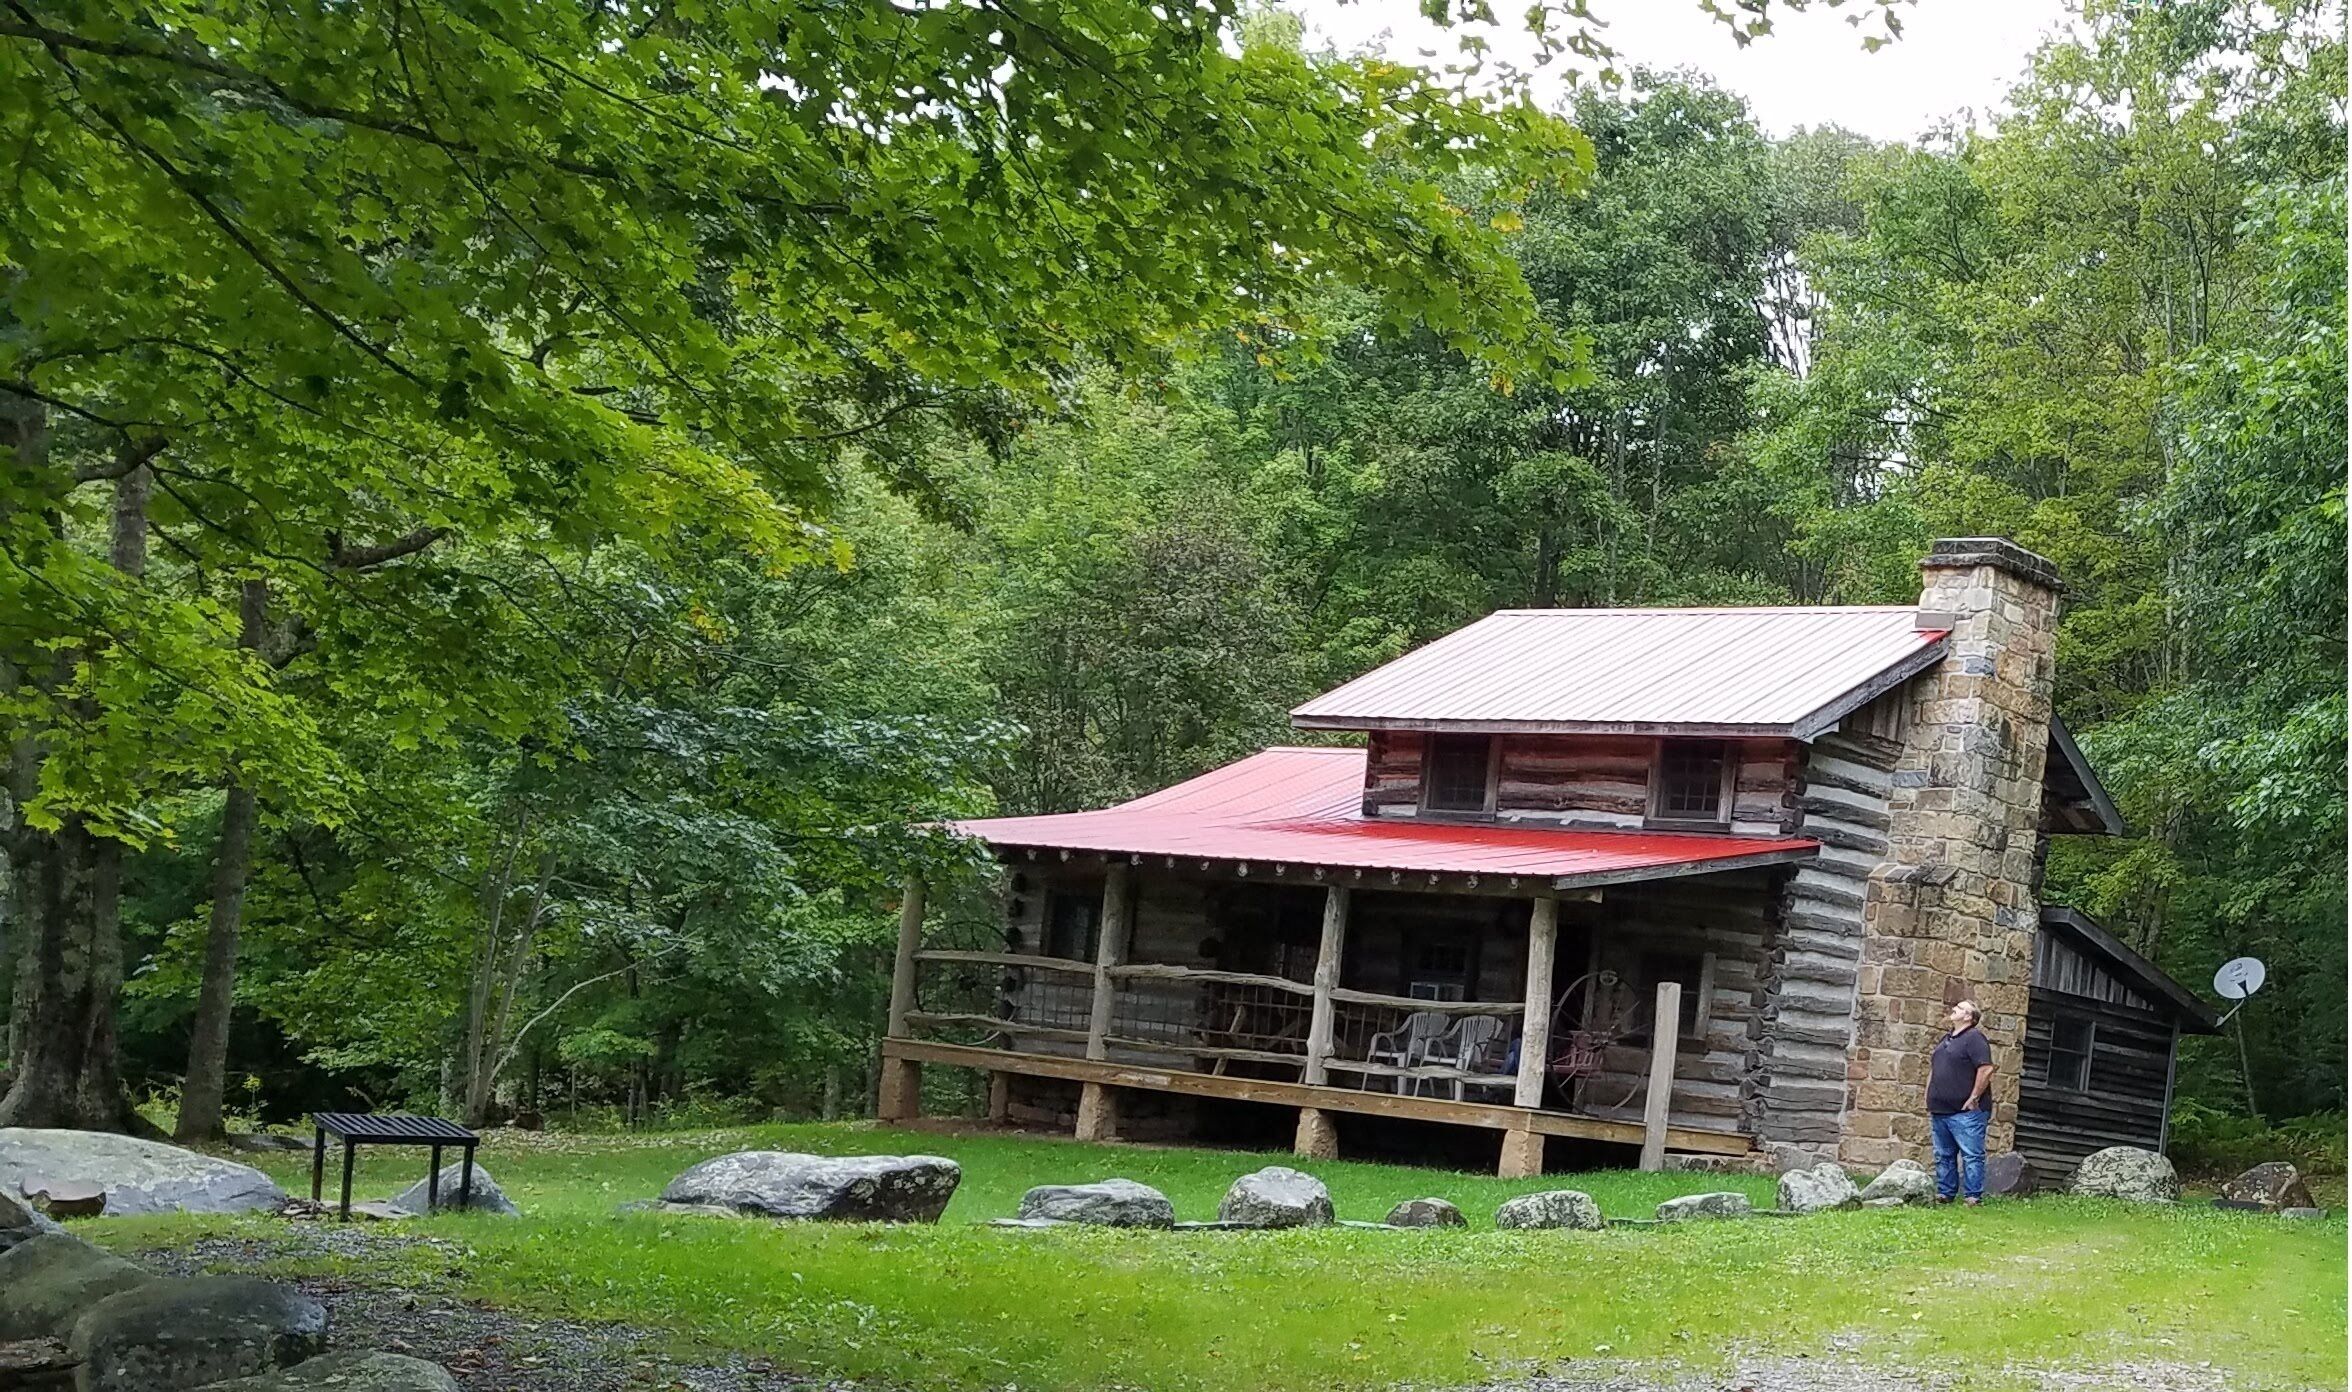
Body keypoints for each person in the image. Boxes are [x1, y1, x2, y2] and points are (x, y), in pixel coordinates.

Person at [1927, 999, 1995, 1205]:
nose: (1954, 1009)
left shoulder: (1974, 1038)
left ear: (1969, 1017)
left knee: (1971, 1154)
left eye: (1960, 1008)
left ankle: (1973, 1196)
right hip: (1940, 1108)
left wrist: (1974, 1097)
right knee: (1943, 1154)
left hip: (1966, 1111)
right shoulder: (1946, 1039)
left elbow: (1986, 1069)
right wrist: (1928, 1094)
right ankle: (1945, 1193)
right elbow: (1935, 1068)